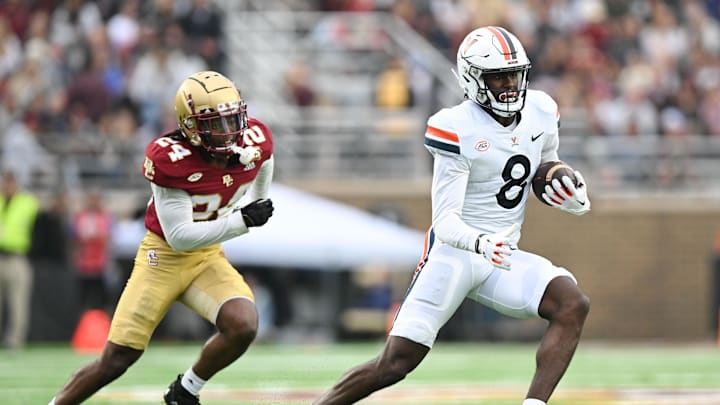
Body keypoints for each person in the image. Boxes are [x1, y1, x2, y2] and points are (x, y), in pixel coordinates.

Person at [313, 26, 592, 405]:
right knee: (396, 363)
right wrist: (480, 241)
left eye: (515, 74)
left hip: (501, 255)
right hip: (455, 254)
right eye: (498, 77)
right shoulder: (455, 126)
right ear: (473, 79)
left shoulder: (541, 110)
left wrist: (569, 191)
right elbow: (444, 222)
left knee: (572, 302)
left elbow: (546, 165)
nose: (510, 84)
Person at [49, 70, 276, 405]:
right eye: (216, 123)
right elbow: (181, 237)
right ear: (191, 126)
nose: (230, 132)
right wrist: (242, 220)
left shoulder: (254, 138)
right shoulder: (170, 159)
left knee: (243, 323)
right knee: (116, 360)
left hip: (207, 255)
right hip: (163, 257)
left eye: (232, 120)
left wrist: (259, 197)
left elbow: (265, 157)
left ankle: (185, 392)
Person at [0, 170, 40, 351]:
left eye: (10, 182)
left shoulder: (27, 202)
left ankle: (15, 341)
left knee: (18, 302)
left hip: (17, 256)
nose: (7, 186)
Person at [70, 189, 114, 312]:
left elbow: (108, 238)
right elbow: (74, 238)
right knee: (83, 301)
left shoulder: (104, 217)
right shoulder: (80, 217)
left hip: (100, 265)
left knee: (101, 301)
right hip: (83, 265)